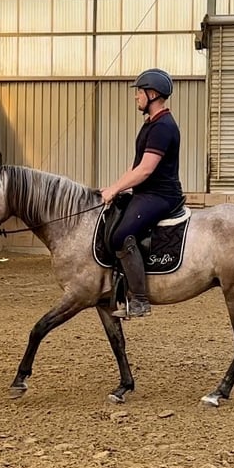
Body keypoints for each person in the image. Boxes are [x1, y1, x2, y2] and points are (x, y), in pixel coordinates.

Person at [99, 68, 184, 318]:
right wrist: (115, 188)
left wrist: (116, 188)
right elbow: (136, 165)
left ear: (153, 93)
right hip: (147, 192)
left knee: (121, 235)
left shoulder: (163, 127)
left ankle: (139, 299)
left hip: (160, 195)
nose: (136, 96)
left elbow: (146, 170)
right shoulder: (150, 124)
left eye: (139, 91)